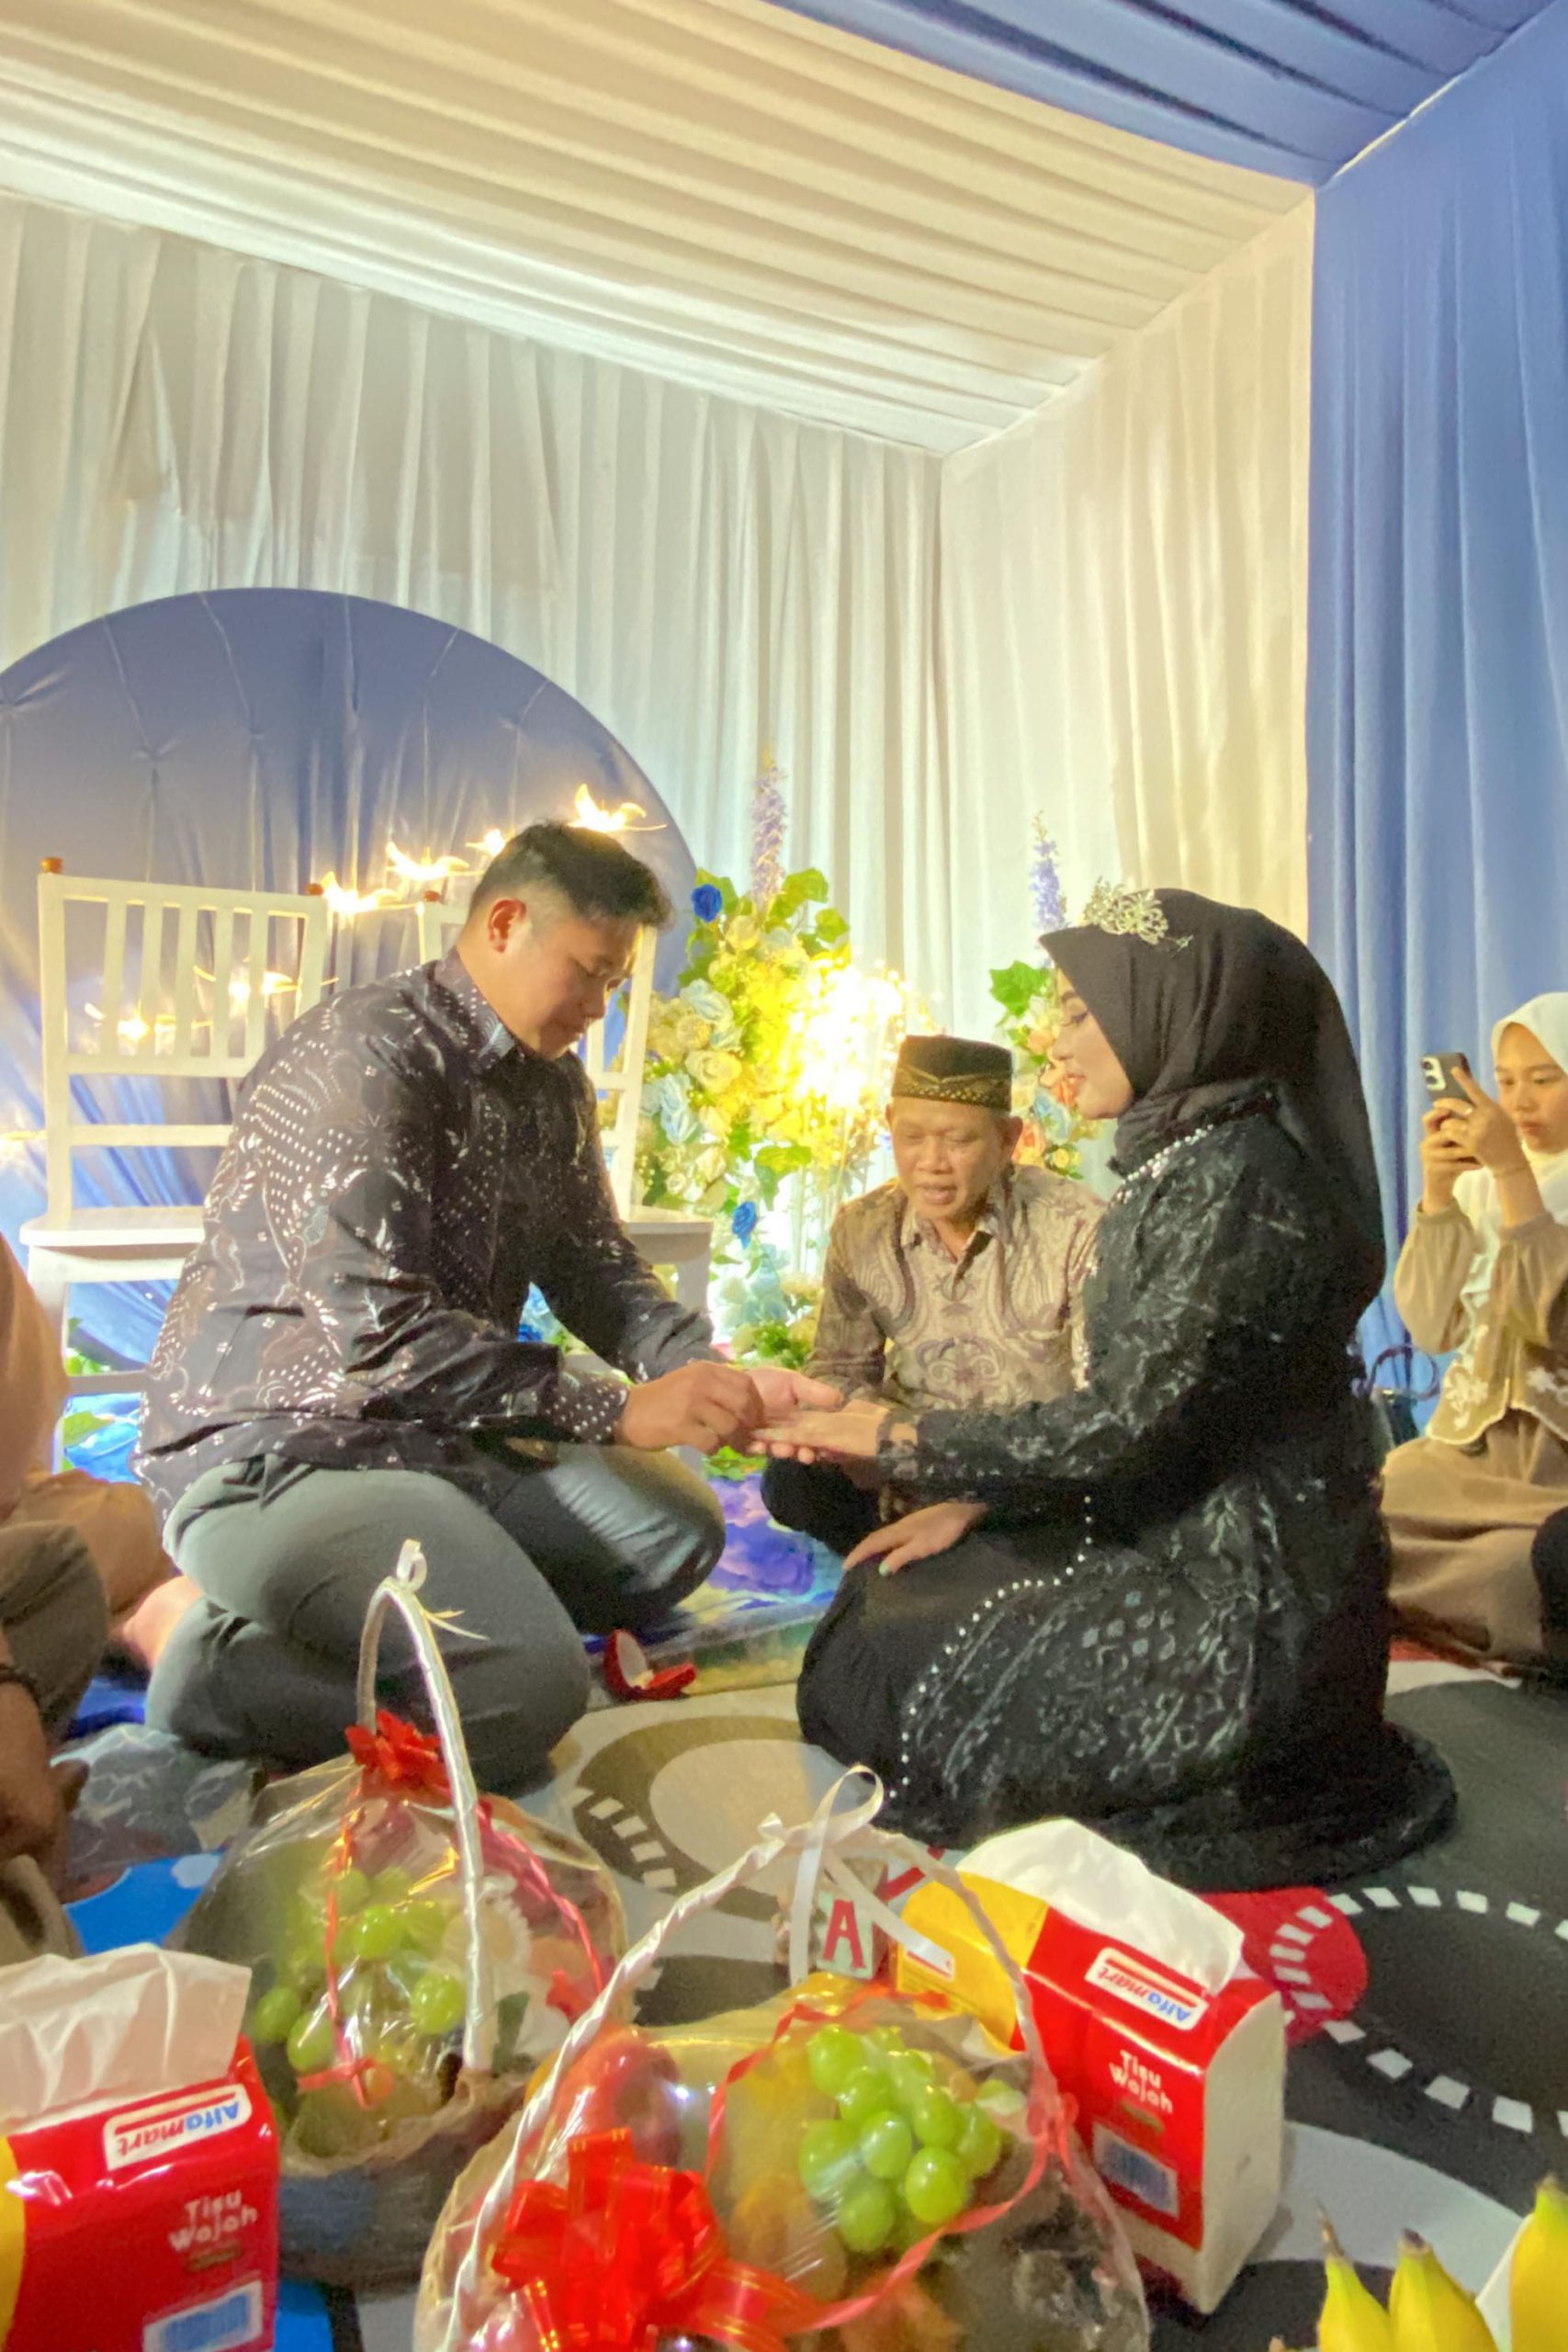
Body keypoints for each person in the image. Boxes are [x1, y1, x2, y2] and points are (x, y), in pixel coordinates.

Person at [763, 886, 1454, 1889]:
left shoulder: (1237, 1186)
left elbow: (1123, 1426)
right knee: (891, 1590)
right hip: (1158, 1527)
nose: (1059, 1039)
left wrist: (904, 1442)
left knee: (889, 1654)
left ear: (1175, 1013)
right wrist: (948, 1481)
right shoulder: (1190, 1160)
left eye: (1082, 1012)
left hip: (1242, 1614)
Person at [137, 824, 833, 1788]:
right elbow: (380, 1336)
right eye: (587, 974)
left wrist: (705, 1375)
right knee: (523, 1688)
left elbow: (593, 1265)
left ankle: (433, 1595)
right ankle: (202, 1663)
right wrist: (617, 1410)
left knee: (675, 1537)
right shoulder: (366, 1052)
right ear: (504, 923)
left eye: (613, 983)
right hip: (292, 1445)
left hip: (448, 1432)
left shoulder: (549, 1081)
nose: (598, 1007)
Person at [761, 1035, 1102, 1560]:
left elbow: (1097, 1412)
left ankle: (968, 1549)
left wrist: (977, 1490)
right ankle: (898, 1555)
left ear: (1008, 1139)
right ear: (889, 1123)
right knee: (792, 1475)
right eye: (912, 1137)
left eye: (959, 1141)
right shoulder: (863, 1227)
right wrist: (875, 1442)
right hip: (903, 1460)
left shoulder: (1076, 1227)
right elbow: (838, 1368)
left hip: (1024, 1470)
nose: (931, 1163)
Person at [1382, 994, 1568, 1668]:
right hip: (1465, 1452)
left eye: (1543, 1079)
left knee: (1511, 1571)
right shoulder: (1480, 1186)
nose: (1519, 1101)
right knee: (1362, 1511)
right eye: (1506, 1080)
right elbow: (1432, 1327)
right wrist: (1438, 1195)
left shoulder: (1511, 1178)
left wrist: (1513, 1175)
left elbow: (1547, 1323)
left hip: (1551, 1463)